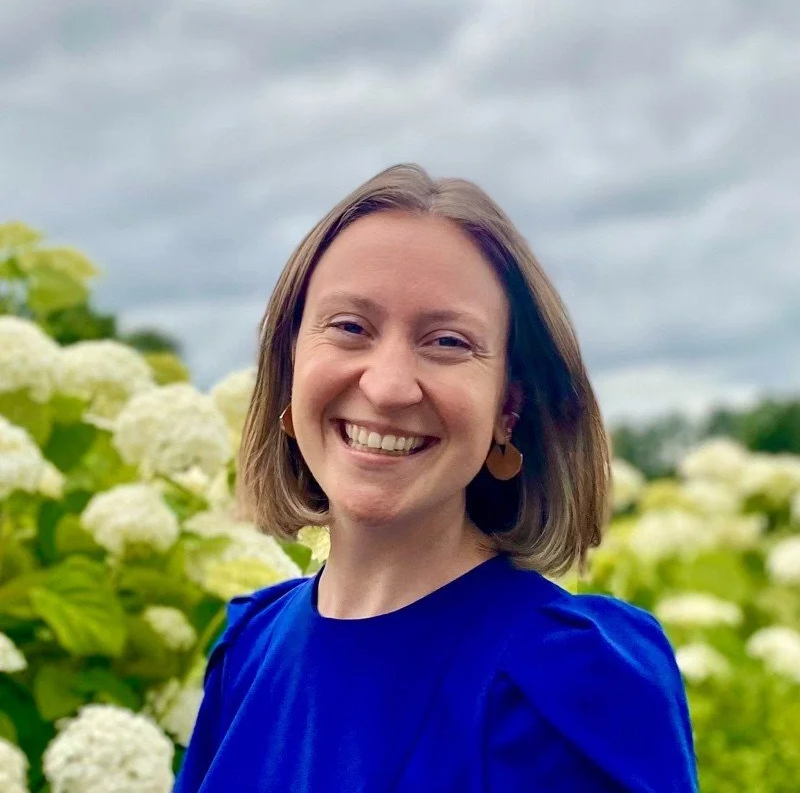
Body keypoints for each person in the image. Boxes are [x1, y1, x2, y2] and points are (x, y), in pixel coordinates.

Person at [175, 164, 698, 792]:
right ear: (291, 363)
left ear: (509, 407)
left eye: (447, 342)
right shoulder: (246, 655)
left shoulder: (568, 685)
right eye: (350, 328)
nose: (389, 385)